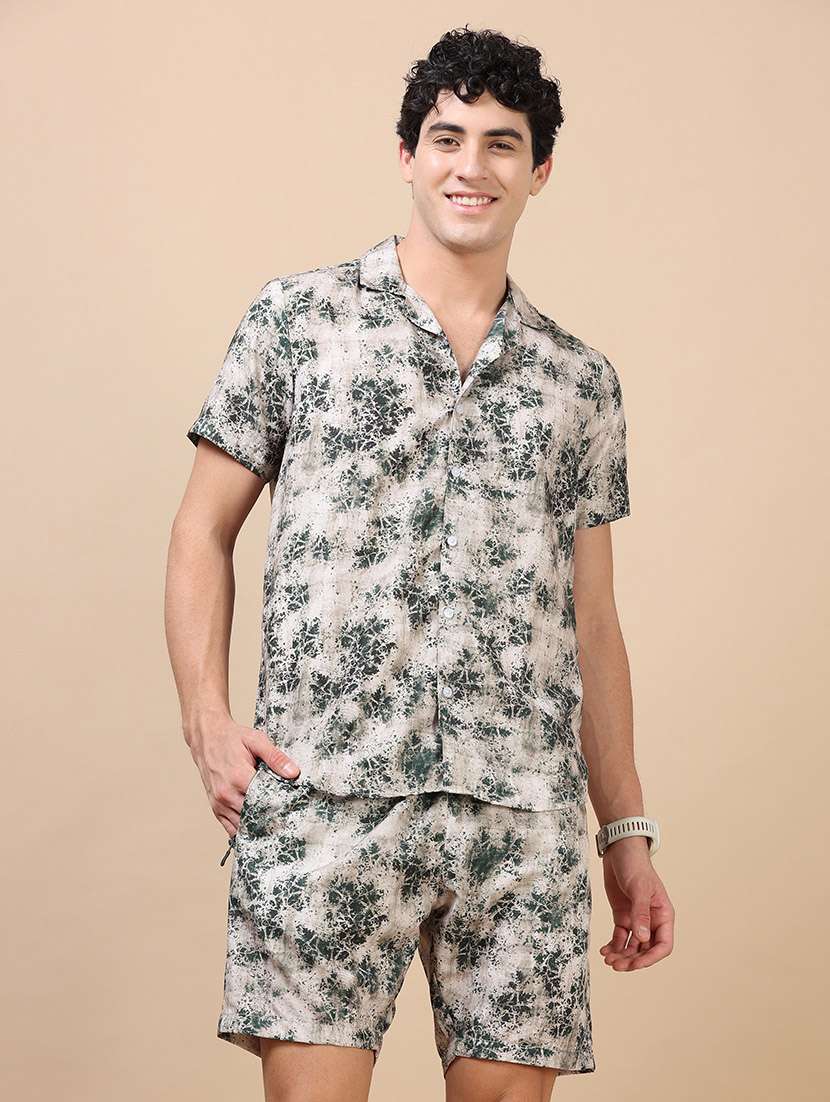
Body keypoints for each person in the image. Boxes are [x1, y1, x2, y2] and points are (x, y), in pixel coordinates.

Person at [165, 25, 675, 1102]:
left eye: (501, 143)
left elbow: (591, 621)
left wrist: (623, 834)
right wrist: (207, 722)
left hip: (520, 822)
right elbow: (201, 531)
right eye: (447, 138)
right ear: (407, 155)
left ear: (539, 170)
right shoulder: (297, 322)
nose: (469, 166)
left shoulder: (578, 382)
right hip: (326, 797)